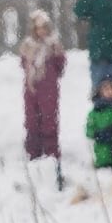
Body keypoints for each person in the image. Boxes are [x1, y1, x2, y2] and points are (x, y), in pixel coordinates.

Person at [19, 9, 66, 160]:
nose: (41, 31)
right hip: (31, 88)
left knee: (49, 119)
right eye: (38, 28)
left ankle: (51, 151)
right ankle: (34, 151)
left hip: (49, 88)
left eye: (44, 28)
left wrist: (50, 75)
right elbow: (23, 63)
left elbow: (60, 64)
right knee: (32, 120)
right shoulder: (28, 46)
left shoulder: (53, 45)